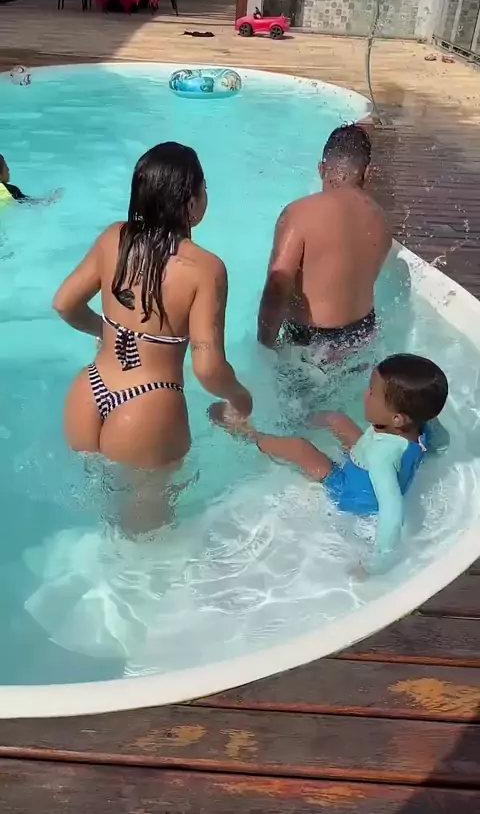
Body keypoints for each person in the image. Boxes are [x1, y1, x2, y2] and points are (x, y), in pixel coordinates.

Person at [53, 141, 252, 477]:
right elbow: (207, 368)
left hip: (89, 391)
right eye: (204, 188)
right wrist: (241, 399)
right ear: (191, 203)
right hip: (148, 406)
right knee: (149, 513)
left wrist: (104, 331)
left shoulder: (114, 237)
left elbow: (64, 304)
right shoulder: (205, 269)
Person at [210, 354, 449, 574]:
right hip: (362, 461)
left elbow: (392, 510)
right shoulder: (420, 423)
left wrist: (378, 563)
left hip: (349, 490)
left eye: (372, 393)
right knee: (337, 419)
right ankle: (297, 418)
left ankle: (249, 435)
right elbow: (440, 442)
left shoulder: (381, 457)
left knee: (300, 448)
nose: (366, 395)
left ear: (397, 418)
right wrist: (438, 451)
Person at [257, 124, 391, 367]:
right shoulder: (381, 218)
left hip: (311, 345)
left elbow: (277, 285)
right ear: (367, 172)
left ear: (321, 168)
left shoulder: (299, 214)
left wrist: (263, 349)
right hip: (363, 335)